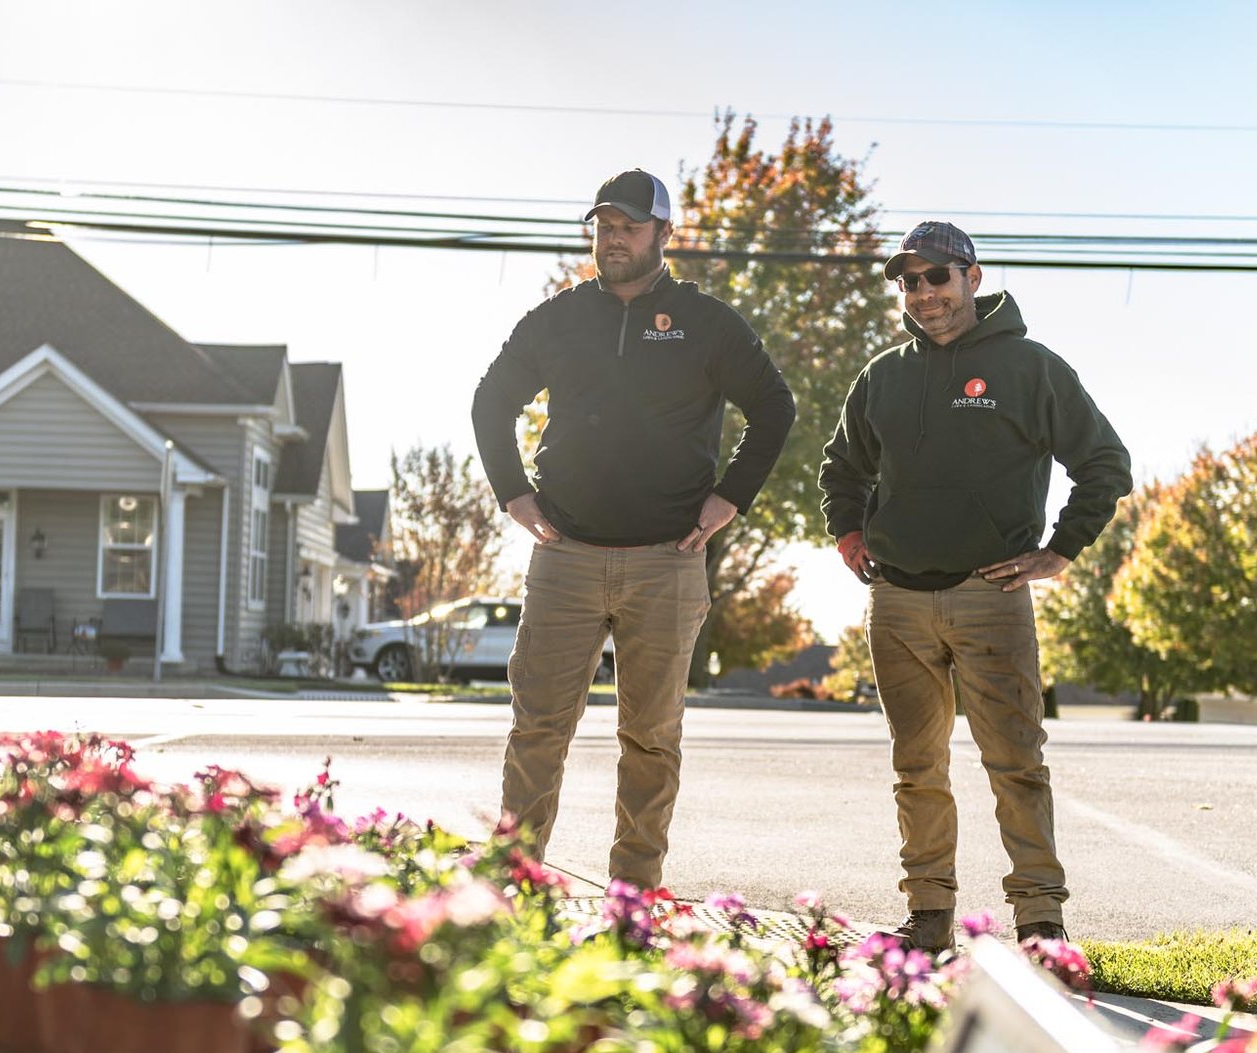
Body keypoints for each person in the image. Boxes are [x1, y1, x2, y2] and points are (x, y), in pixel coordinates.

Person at [473, 167, 796, 889]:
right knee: (537, 730)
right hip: (567, 556)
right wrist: (513, 494)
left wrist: (729, 499)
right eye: (602, 226)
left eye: (628, 226)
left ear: (663, 235)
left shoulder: (707, 322)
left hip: (667, 559)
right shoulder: (557, 318)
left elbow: (774, 407)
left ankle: (634, 894)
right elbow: (490, 402)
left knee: (651, 738)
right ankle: (513, 881)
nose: (612, 238)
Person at [819, 221, 1131, 952]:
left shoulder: (1030, 368)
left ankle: (1040, 920)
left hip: (989, 594)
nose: (923, 293)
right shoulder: (883, 376)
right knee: (915, 764)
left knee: (1016, 760)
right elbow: (843, 469)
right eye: (910, 280)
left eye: (937, 276)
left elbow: (1105, 464)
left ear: (972, 278)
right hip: (895, 600)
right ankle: (928, 915)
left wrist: (1059, 550)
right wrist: (849, 532)